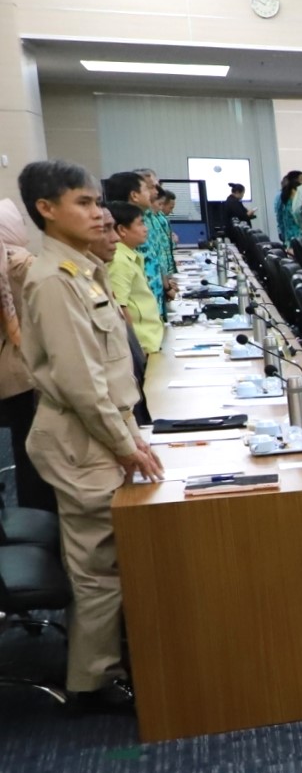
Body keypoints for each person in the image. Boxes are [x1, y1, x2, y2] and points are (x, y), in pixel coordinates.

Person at [17, 160, 163, 712]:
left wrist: (129, 435)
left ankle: (108, 662)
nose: (99, 214)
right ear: (46, 209)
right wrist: (125, 445)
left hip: (100, 428)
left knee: (112, 556)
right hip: (81, 438)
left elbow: (107, 373)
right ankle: (93, 683)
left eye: (98, 202)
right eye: (84, 203)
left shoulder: (82, 269)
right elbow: (82, 384)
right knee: (100, 566)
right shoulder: (55, 280)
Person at [0, 198, 52, 511]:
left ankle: (30, 509)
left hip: (10, 366)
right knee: (32, 446)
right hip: (21, 366)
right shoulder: (20, 263)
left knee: (23, 444)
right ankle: (39, 511)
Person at [104, 202, 163, 358]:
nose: (146, 229)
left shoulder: (130, 256)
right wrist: (135, 347)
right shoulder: (119, 261)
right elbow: (121, 307)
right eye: (140, 223)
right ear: (122, 230)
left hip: (151, 339)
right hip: (142, 344)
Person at [275, 170, 302, 248]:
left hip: (288, 235)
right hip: (298, 235)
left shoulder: (283, 196)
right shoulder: (295, 197)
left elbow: (279, 217)